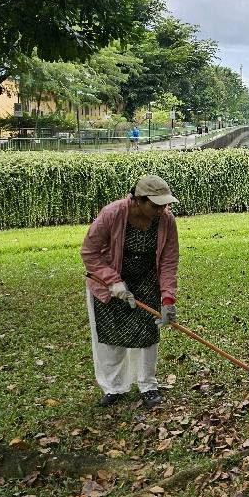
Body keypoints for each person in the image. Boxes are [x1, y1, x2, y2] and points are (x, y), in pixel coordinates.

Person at [81, 175, 180, 409]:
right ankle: (113, 387)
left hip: (147, 279)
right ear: (138, 200)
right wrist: (114, 282)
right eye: (155, 205)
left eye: (164, 204)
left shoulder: (166, 220)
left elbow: (168, 260)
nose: (161, 210)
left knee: (148, 333)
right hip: (111, 282)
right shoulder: (112, 214)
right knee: (110, 335)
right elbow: (89, 253)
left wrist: (167, 299)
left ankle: (148, 385)